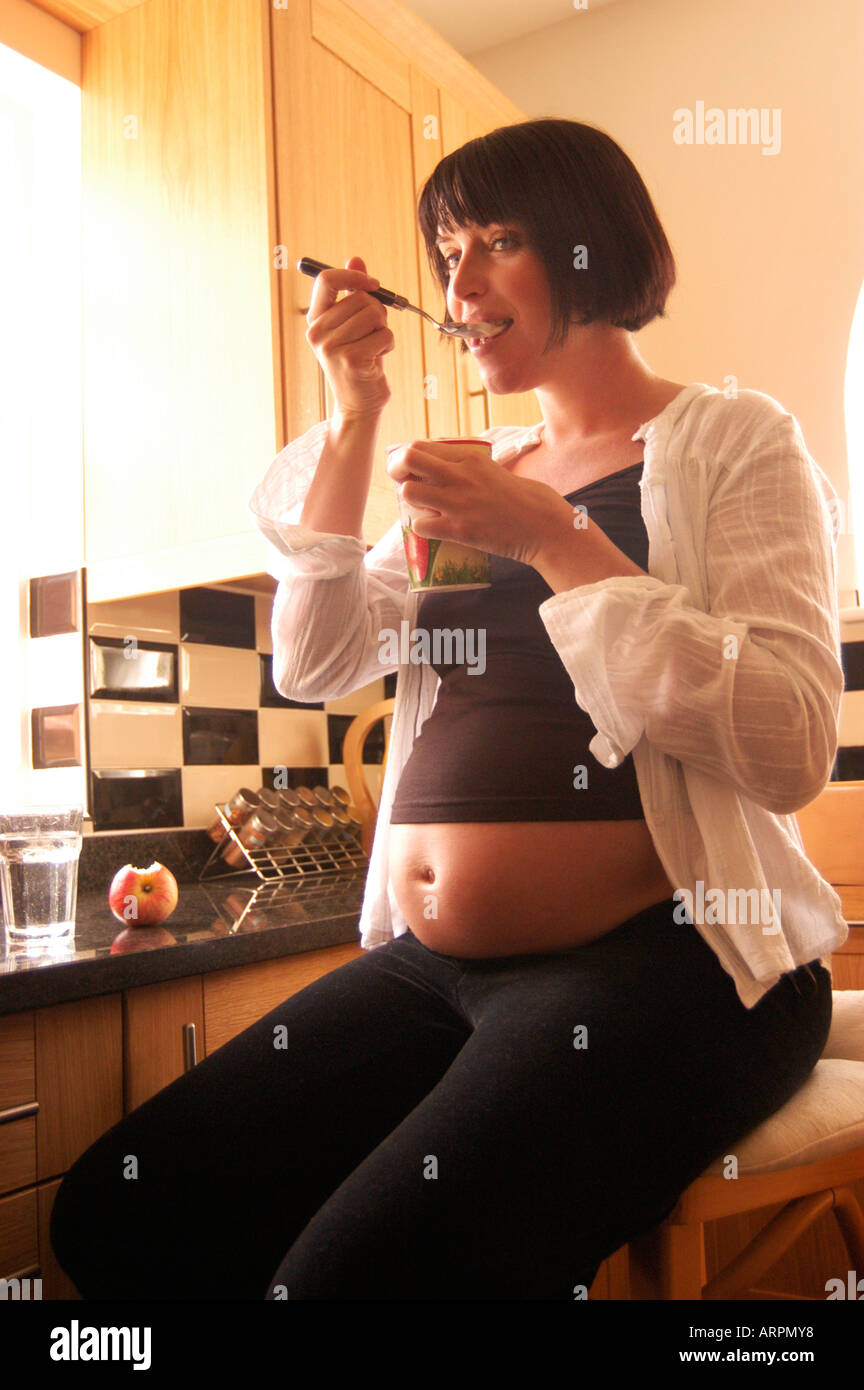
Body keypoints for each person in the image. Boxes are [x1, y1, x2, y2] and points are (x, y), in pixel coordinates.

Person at [50, 118, 847, 1301]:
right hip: (436, 968)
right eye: (446, 252)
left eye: (498, 241)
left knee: (356, 1284)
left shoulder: (733, 440)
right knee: (124, 1207)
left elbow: (793, 739)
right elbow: (314, 659)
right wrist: (355, 408)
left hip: (679, 963)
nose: (459, 284)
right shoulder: (481, 473)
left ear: (588, 250)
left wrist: (550, 534)